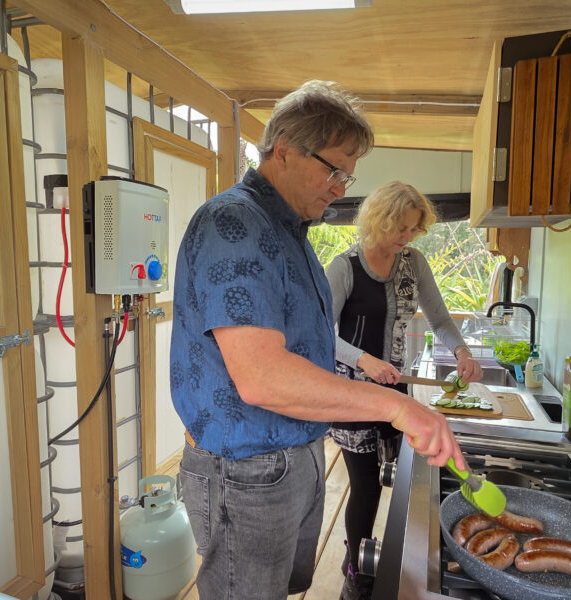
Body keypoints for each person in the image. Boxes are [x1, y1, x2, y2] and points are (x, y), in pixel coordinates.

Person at [169, 81, 466, 600]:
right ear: (284, 150)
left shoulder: (294, 236)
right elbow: (262, 378)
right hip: (245, 471)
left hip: (296, 452)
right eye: (334, 170)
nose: (339, 188)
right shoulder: (233, 222)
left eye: (347, 176)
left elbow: (311, 345)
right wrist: (397, 407)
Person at [326, 181, 483, 598]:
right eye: (401, 228)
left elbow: (440, 320)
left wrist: (462, 351)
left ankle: (383, 559)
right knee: (365, 485)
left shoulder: (414, 263)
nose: (408, 236)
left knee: (398, 481)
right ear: (379, 219)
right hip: (353, 394)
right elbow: (319, 333)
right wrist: (363, 359)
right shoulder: (345, 267)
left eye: (414, 229)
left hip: (397, 395)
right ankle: (357, 572)